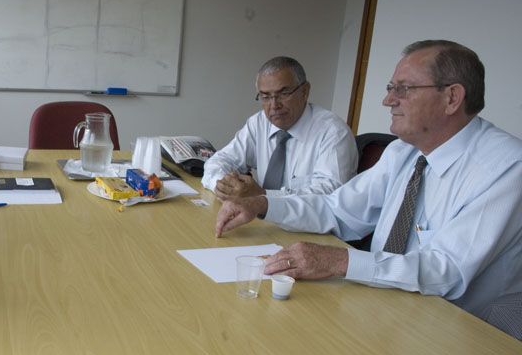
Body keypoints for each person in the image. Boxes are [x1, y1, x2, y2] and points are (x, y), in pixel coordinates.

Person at [215, 40, 522, 318]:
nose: (388, 100)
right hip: (384, 306)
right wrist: (262, 205)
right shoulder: (404, 152)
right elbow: (337, 210)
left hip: (458, 330)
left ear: (452, 97)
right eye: (391, 88)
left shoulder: (506, 167)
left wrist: (340, 261)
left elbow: (447, 272)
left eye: (403, 89)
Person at [201, 56, 357, 200]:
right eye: (266, 96)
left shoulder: (333, 132)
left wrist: (264, 197)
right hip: (262, 221)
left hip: (311, 227)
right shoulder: (259, 123)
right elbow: (221, 160)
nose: (274, 105)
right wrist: (221, 185)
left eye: (284, 94)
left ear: (305, 91)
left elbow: (329, 194)